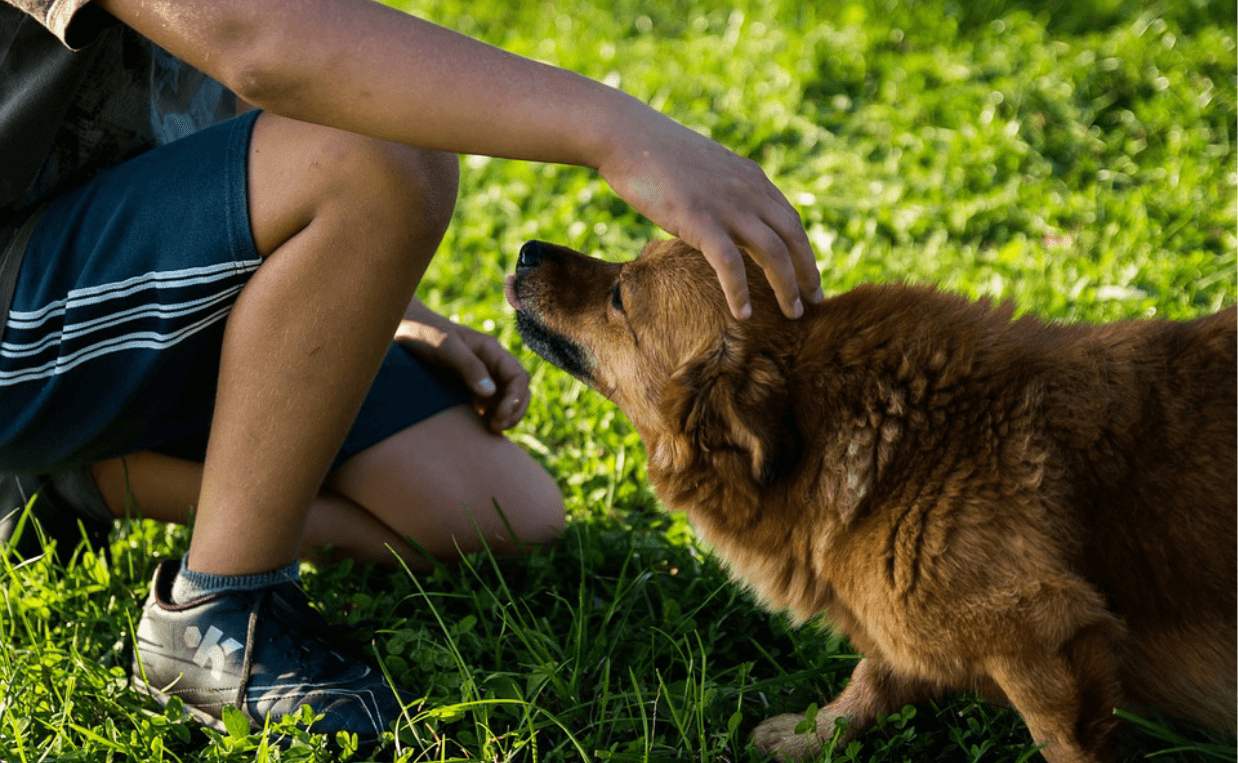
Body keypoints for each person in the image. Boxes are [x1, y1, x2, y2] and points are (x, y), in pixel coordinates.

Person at [0, 0, 823, 746]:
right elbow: (259, 39)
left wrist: (360, 284)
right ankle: (219, 611)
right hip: (18, 290)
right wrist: (622, 133)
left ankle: (75, 477)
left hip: (137, 259)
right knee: (385, 157)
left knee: (495, 513)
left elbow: (295, 52)